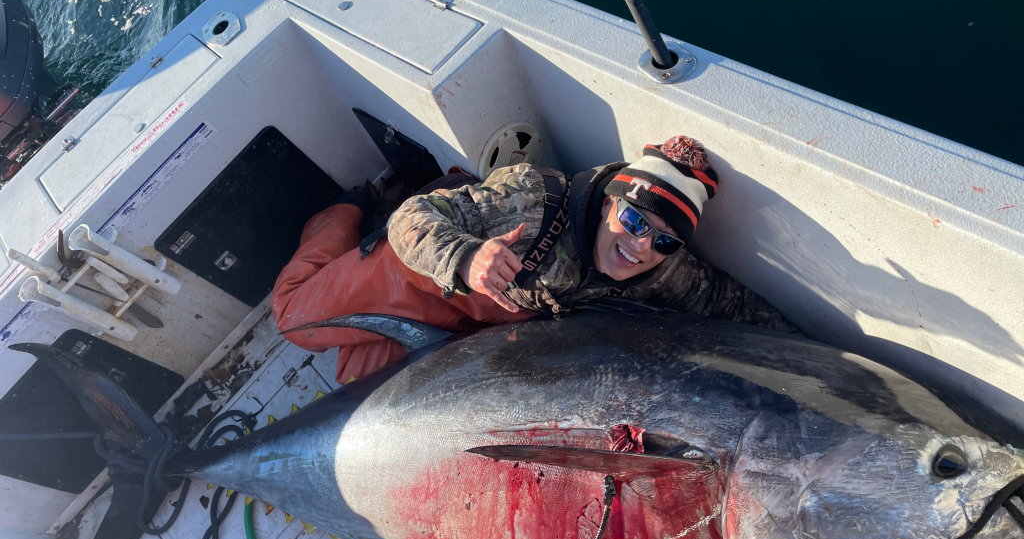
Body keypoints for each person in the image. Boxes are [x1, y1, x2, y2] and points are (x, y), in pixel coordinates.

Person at [273, 136, 795, 385]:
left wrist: (816, 364)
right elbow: (413, 219)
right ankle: (355, 202)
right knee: (294, 318)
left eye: (663, 240)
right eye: (635, 221)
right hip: (413, 274)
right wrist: (463, 256)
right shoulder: (530, 198)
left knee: (363, 392)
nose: (640, 247)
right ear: (611, 198)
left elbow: (730, 302)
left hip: (482, 317)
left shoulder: (658, 266)